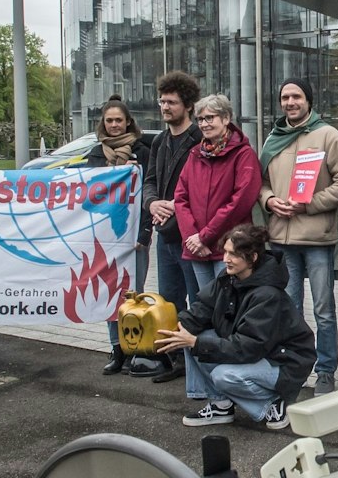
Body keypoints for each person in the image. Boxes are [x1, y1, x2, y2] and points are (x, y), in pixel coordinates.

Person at [156, 223, 314, 431]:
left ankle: (273, 403)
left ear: (252, 258)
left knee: (223, 375)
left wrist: (197, 343)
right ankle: (221, 405)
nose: (225, 259)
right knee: (186, 336)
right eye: (225, 252)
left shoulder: (268, 295)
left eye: (233, 254)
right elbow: (202, 308)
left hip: (286, 362)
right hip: (260, 352)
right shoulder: (229, 277)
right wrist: (171, 331)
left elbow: (248, 347)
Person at [257, 77, 338, 395]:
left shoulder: (328, 136)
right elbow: (261, 182)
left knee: (324, 310)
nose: (290, 102)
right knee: (289, 310)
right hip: (282, 238)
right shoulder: (273, 138)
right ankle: (293, 368)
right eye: (285, 97)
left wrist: (308, 205)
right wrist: (270, 201)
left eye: (296, 96)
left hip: (317, 238)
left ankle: (325, 370)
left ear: (308, 101)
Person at [173, 94, 263, 408]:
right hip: (198, 250)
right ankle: (208, 393)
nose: (204, 124)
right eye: (201, 119)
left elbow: (241, 200)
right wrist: (191, 236)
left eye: (210, 117)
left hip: (228, 250)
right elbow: (181, 197)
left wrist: (207, 235)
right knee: (202, 316)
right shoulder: (195, 154)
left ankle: (229, 390)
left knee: (228, 318)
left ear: (226, 119)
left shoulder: (244, 154)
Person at [87, 98, 164, 376]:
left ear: (128, 122)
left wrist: (145, 232)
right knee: (110, 292)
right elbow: (88, 193)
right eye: (109, 120)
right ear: (103, 123)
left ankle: (136, 348)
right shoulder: (96, 154)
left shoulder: (143, 151)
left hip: (134, 235)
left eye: (119, 120)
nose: (114, 125)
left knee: (133, 293)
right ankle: (116, 348)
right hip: (105, 235)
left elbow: (149, 192)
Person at [140, 70, 203, 384]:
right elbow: (149, 180)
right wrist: (152, 203)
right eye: (162, 101)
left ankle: (199, 363)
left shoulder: (200, 138)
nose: (165, 107)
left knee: (198, 301)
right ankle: (177, 360)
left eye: (171, 102)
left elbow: (204, 188)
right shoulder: (160, 141)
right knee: (169, 302)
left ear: (187, 105)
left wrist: (175, 207)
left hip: (190, 235)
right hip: (165, 236)